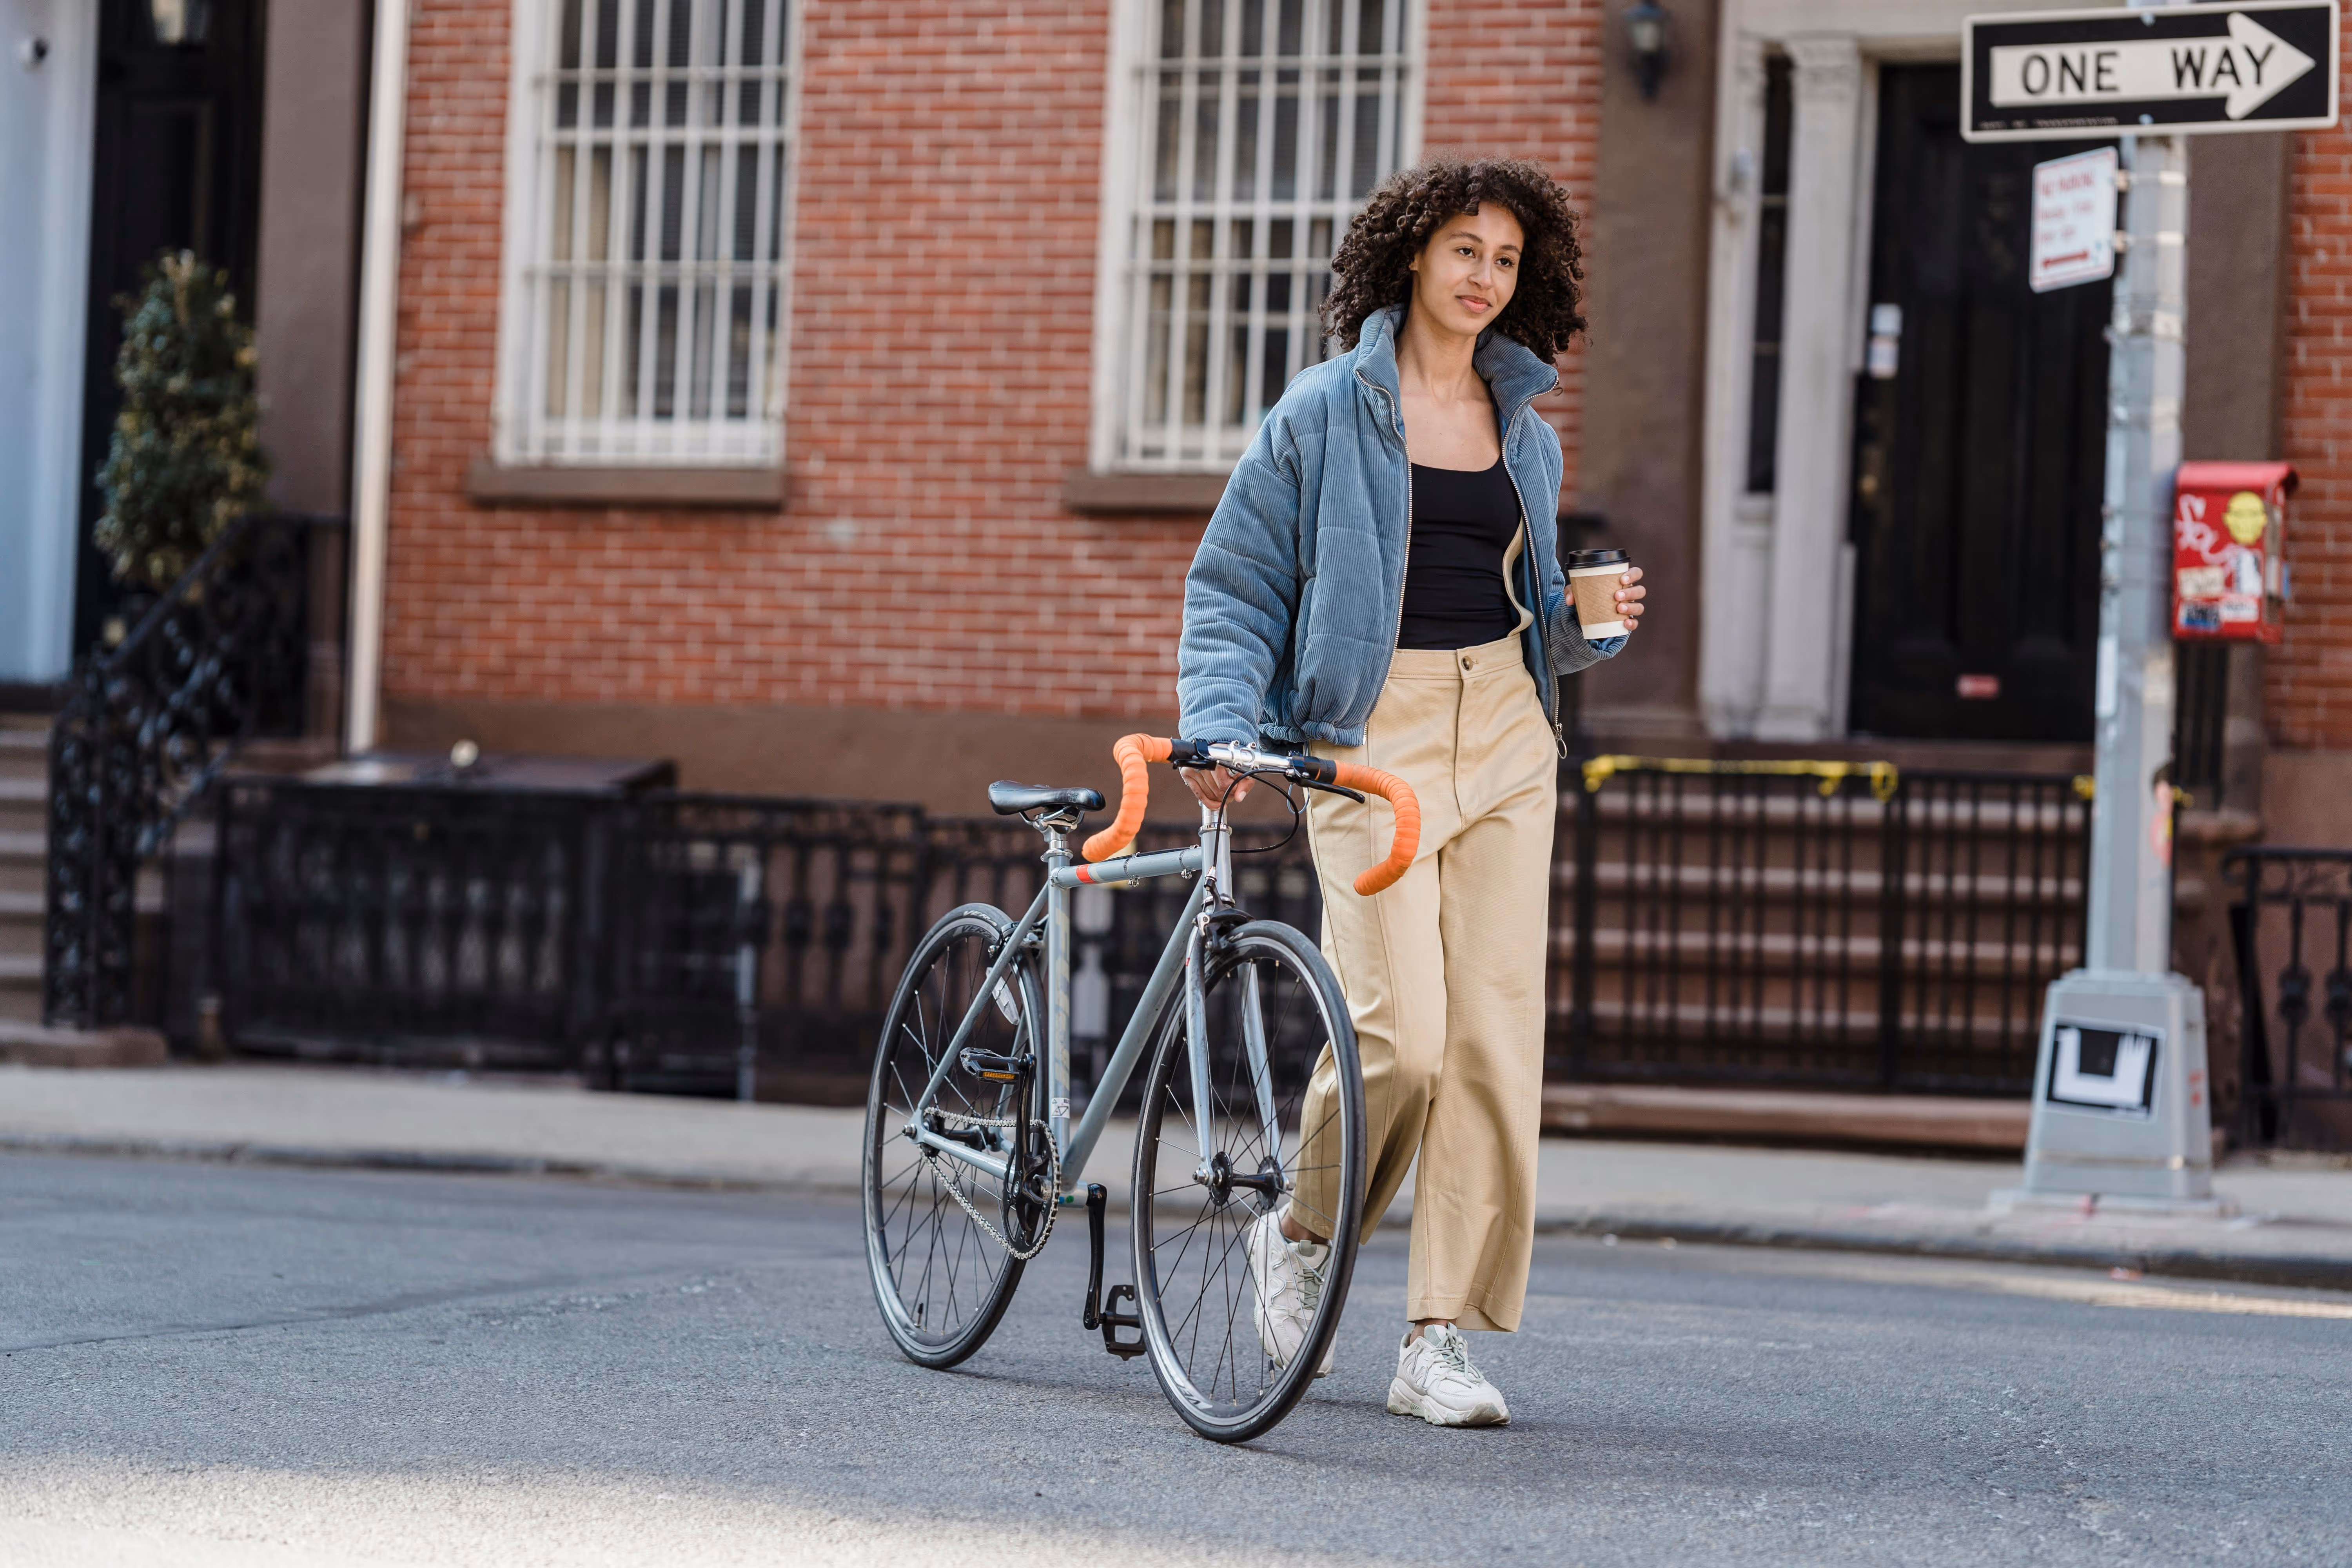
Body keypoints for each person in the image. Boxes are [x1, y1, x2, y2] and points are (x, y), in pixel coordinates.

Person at [1176, 157, 1645, 1428]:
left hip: (1505, 726)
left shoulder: (1527, 438)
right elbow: (1234, 586)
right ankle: (1307, 1230)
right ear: (1412, 259)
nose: (1485, 278)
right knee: (1403, 1037)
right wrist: (1218, 725)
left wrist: (1587, 631)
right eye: (1464, 252)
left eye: (1505, 260)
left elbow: (1529, 619)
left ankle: (1437, 1337)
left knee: (1493, 1044)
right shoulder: (1325, 413)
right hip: (1367, 735)